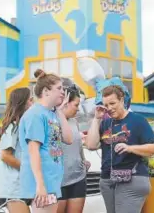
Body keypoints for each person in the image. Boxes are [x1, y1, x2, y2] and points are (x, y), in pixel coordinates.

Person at [86, 80, 154, 213]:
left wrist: (130, 148)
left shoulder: (137, 120)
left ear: (122, 100)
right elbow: (91, 145)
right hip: (108, 179)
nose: (109, 108)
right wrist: (96, 119)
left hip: (132, 177)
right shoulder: (105, 123)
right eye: (106, 105)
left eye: (113, 103)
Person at [19, 69, 73, 213]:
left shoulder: (52, 114)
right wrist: (40, 185)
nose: (63, 92)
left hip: (51, 181)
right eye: (59, 88)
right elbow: (33, 150)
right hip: (41, 184)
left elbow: (68, 139)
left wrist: (60, 111)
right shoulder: (35, 114)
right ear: (46, 91)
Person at [0, 87, 34, 213]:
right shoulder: (13, 127)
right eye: (30, 100)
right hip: (12, 188)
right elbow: (5, 156)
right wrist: (29, 169)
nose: (33, 103)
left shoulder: (25, 126)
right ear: (22, 103)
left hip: (23, 186)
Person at [57, 84, 91, 213]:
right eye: (76, 105)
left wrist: (83, 160)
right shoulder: (50, 121)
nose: (78, 109)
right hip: (58, 181)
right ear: (65, 103)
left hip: (78, 178)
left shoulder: (74, 122)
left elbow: (77, 145)